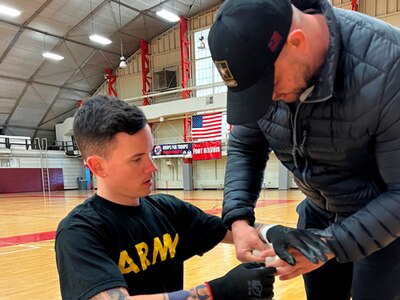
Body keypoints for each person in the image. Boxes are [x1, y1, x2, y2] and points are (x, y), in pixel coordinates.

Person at [208, 0, 400, 299]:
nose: (268, 99)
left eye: (270, 86)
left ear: (297, 42)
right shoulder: (267, 70)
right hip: (317, 213)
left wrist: (331, 245)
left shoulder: (389, 66)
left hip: (384, 223)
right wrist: (239, 219)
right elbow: (246, 146)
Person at [55, 95, 276, 300]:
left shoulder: (168, 210)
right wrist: (215, 292)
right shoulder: (79, 232)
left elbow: (234, 231)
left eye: (150, 153)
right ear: (97, 166)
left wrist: (275, 233)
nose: (152, 167)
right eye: (137, 159)